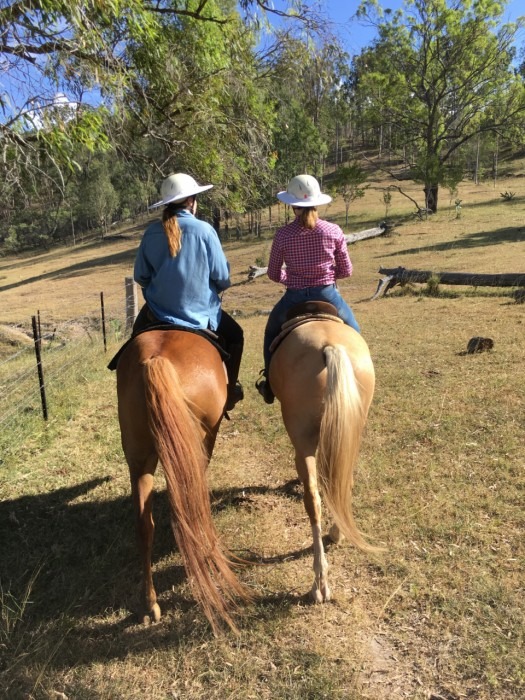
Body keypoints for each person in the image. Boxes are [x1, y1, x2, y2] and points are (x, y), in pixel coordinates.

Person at [133, 172, 244, 411]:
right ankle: (231, 390)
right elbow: (222, 278)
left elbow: (140, 276)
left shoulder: (151, 233)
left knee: (134, 343)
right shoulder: (205, 231)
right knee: (236, 336)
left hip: (157, 313)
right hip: (199, 315)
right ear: (192, 200)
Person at [256, 174, 360, 404]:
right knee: (354, 330)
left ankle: (270, 384)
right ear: (317, 202)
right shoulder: (333, 230)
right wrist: (328, 277)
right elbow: (347, 270)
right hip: (328, 294)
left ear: (293, 206)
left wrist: (290, 278)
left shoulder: (283, 235)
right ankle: (359, 376)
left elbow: (273, 273)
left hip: (294, 297)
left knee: (271, 331)